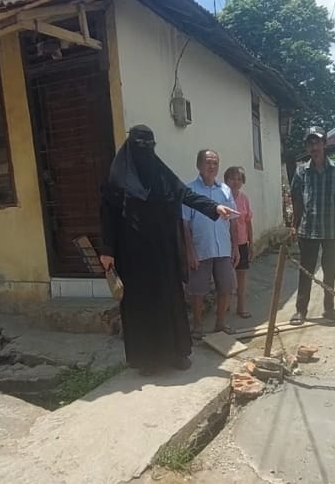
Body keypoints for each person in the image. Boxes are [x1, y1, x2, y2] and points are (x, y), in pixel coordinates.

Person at [99, 125, 237, 374]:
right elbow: (107, 216)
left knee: (170, 300)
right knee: (142, 306)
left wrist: (214, 208)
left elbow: (185, 194)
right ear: (130, 147)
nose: (145, 152)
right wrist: (107, 250)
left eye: (149, 146)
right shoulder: (117, 179)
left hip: (163, 254)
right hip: (133, 257)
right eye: (140, 146)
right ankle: (147, 360)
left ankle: (176, 354)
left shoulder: (160, 174)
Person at [289, 126, 335, 325]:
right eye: (310, 143)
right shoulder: (301, 172)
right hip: (308, 229)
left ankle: (329, 308)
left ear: (324, 144)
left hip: (330, 229)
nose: (314, 147)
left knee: (329, 271)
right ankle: (301, 311)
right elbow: (297, 201)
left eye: (317, 142)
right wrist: (294, 225)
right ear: (307, 148)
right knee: (306, 272)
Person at [183, 150, 240, 337]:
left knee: (226, 287)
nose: (212, 166)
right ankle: (197, 326)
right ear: (198, 165)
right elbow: (185, 224)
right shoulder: (190, 191)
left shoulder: (225, 190)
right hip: (201, 249)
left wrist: (235, 247)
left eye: (215, 163)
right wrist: (190, 252)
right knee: (198, 291)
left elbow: (233, 221)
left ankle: (220, 324)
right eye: (208, 162)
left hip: (223, 248)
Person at [224, 165, 254, 319]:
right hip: (225, 244)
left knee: (241, 277)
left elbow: (248, 222)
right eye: (232, 179)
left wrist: (251, 243)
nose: (235, 182)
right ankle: (225, 305)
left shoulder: (244, 199)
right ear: (226, 180)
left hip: (242, 243)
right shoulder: (221, 197)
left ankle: (241, 307)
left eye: (239, 179)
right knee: (225, 277)